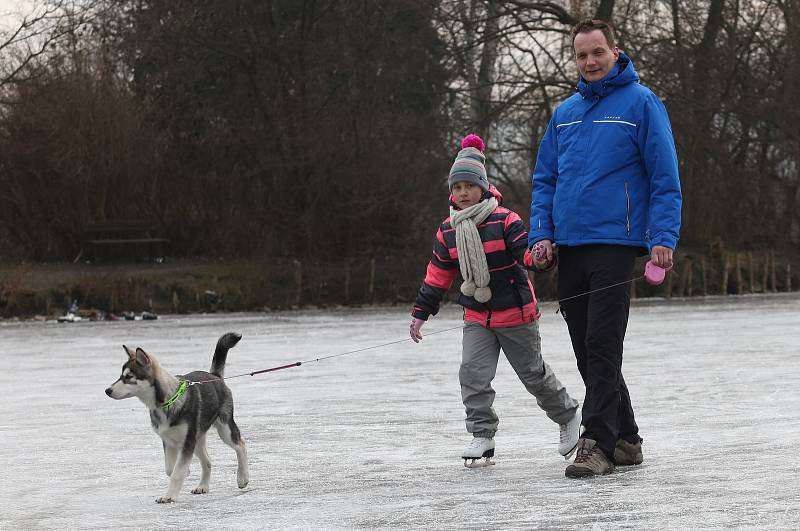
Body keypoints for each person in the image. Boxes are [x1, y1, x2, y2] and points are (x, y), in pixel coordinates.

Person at [529, 19, 682, 478]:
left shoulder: (642, 103)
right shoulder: (565, 113)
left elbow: (664, 177)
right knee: (586, 348)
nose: (590, 62)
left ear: (615, 52)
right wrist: (541, 234)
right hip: (569, 248)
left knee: (602, 342)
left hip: (617, 243)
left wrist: (663, 238)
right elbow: (545, 180)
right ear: (574, 59)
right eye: (581, 55)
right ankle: (628, 439)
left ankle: (596, 443)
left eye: (597, 52)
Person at [410, 133, 581, 467]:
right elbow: (437, 275)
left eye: (469, 186)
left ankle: (568, 415)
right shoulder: (448, 229)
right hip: (477, 316)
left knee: (533, 375)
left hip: (515, 313)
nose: (462, 193)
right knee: (472, 374)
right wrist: (420, 313)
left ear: (483, 187)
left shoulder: (505, 219)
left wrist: (541, 256)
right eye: (457, 187)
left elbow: (526, 255)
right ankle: (482, 434)